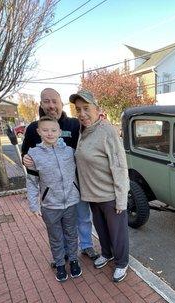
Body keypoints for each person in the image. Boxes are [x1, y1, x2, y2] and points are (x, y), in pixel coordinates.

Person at [22, 88, 99, 264]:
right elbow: (27, 155)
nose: (51, 105)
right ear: (41, 104)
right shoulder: (34, 129)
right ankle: (65, 253)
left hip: (76, 185)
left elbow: (91, 137)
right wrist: (25, 159)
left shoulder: (74, 124)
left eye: (54, 101)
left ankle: (86, 245)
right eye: (46, 101)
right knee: (61, 225)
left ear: (61, 104)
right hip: (53, 191)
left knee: (83, 217)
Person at [70, 89, 130, 283]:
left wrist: (121, 199)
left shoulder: (107, 131)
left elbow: (119, 166)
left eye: (86, 108)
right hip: (92, 195)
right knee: (101, 230)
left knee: (117, 234)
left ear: (97, 109)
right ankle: (107, 253)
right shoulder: (83, 130)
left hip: (110, 196)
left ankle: (121, 263)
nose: (82, 113)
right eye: (78, 109)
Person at [26, 116, 82, 282]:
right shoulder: (33, 155)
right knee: (56, 237)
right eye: (45, 130)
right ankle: (59, 264)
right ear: (38, 132)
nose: (49, 133)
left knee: (72, 234)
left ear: (60, 132)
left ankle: (73, 260)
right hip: (50, 206)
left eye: (53, 130)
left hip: (71, 202)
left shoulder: (69, 151)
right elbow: (31, 182)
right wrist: (33, 205)